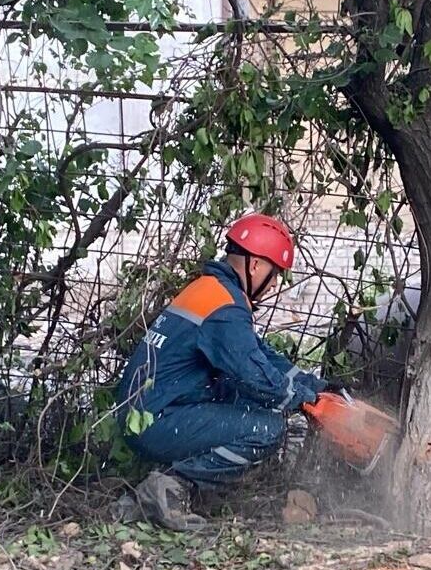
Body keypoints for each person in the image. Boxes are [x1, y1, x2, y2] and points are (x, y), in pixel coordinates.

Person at [115, 213, 333, 530]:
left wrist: (313, 384)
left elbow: (259, 355)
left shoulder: (211, 291)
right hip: (156, 420)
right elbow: (256, 376)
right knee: (266, 430)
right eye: (274, 275)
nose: (273, 285)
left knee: (246, 403)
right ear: (255, 265)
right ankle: (169, 488)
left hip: (150, 412)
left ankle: (151, 493)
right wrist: (302, 399)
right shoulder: (225, 308)